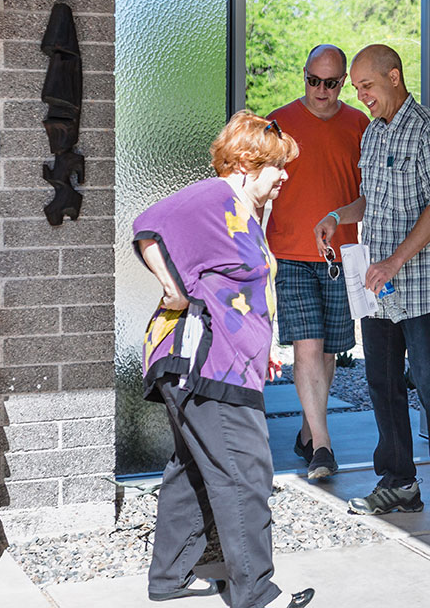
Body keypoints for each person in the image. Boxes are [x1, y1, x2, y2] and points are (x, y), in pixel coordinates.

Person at [133, 111, 314, 608]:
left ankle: (168, 579)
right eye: (276, 166)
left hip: (215, 363)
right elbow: (150, 226)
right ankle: (256, 594)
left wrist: (267, 349)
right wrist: (172, 288)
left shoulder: (243, 214)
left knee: (193, 469)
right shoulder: (217, 196)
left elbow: (241, 290)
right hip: (206, 364)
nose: (283, 176)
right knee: (246, 472)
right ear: (245, 162)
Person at [314, 43, 430, 515]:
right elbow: (370, 200)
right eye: (355, 87)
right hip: (375, 285)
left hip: (419, 284)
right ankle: (399, 481)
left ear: (394, 77)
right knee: (381, 381)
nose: (359, 95)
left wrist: (395, 262)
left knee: (429, 379)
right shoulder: (373, 135)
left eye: (366, 86)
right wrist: (338, 215)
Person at [266, 44, 370, 480]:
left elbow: (370, 197)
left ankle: (310, 431)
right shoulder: (279, 123)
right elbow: (256, 184)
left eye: (331, 83)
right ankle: (323, 447)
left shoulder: (360, 125)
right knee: (307, 346)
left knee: (329, 351)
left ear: (342, 81)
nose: (321, 91)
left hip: (342, 255)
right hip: (291, 253)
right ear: (303, 74)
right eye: (313, 81)